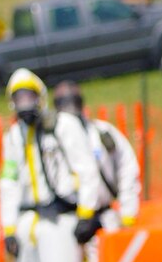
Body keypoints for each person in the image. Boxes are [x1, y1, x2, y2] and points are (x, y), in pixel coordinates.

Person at [0, 69, 101, 262]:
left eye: (29, 97)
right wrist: (8, 227)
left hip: (62, 219)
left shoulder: (63, 126)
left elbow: (86, 169)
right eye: (18, 99)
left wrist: (86, 213)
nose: (24, 105)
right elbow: (7, 182)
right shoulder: (13, 137)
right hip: (29, 222)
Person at [51, 81, 142, 228]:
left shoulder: (102, 133)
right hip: (66, 221)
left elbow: (128, 169)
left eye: (73, 100)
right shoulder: (49, 142)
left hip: (105, 221)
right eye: (63, 102)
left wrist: (128, 215)